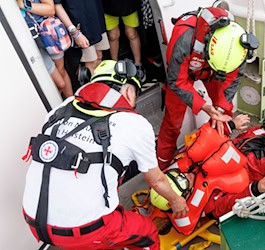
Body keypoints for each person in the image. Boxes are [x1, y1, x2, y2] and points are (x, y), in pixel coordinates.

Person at [22, 60, 188, 249]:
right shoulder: (133, 123)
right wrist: (177, 201)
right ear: (128, 92)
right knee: (147, 232)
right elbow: (157, 180)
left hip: (34, 220)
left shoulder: (62, 108)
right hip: (83, 229)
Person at [151, 91, 265, 227]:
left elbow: (207, 137)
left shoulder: (183, 163)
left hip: (242, 144)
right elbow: (230, 203)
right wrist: (257, 187)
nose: (187, 176)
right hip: (253, 168)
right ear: (183, 197)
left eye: (179, 174)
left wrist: (232, 124)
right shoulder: (208, 203)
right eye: (184, 182)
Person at [156, 6, 258, 169]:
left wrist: (218, 109)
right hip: (183, 73)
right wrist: (205, 106)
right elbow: (177, 81)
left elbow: (232, 80)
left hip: (214, 73)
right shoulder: (183, 39)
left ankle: (217, 147)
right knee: (172, 123)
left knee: (223, 113)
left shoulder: (239, 49)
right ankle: (162, 165)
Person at [18, 0, 73, 98]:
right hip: (30, 43)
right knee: (58, 83)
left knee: (61, 71)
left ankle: (71, 102)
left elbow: (50, 10)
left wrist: (23, 5)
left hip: (49, 33)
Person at [57, 0, 110, 75]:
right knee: (91, 62)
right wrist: (74, 32)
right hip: (79, 26)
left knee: (99, 55)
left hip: (96, 18)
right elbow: (57, 5)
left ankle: (101, 84)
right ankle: (94, 85)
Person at [102, 0, 146, 82]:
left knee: (132, 34)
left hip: (128, 5)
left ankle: (138, 64)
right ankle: (114, 66)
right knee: (113, 36)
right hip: (108, 7)